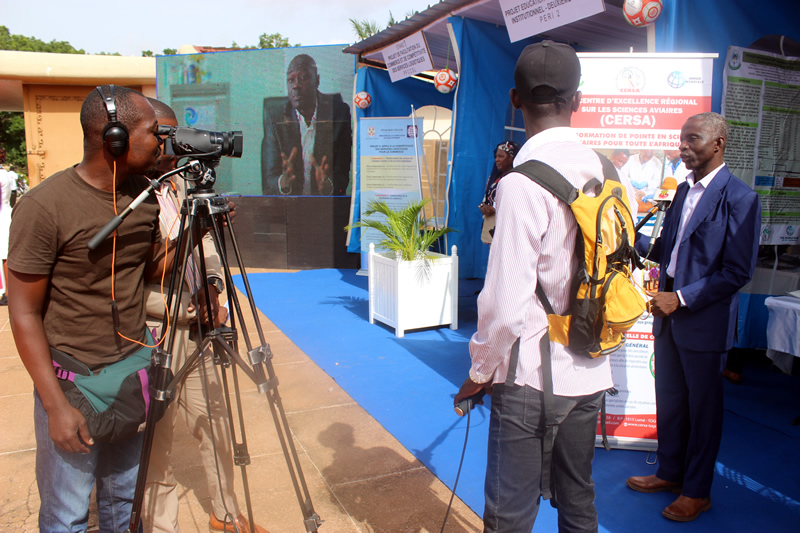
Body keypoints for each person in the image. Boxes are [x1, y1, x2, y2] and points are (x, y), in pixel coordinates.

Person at [454, 40, 635, 532]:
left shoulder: (519, 184)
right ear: (577, 101)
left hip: (530, 377)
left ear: (516, 100)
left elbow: (507, 304)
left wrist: (479, 368)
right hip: (591, 372)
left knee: (510, 514)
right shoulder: (611, 173)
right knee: (578, 504)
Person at [7, 85, 166, 532]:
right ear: (113, 139)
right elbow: (22, 313)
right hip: (74, 384)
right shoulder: (44, 207)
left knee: (123, 502)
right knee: (67, 515)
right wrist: (56, 406)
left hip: (132, 375)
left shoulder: (145, 197)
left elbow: (148, 269)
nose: (161, 142)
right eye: (153, 133)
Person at [626, 112, 761, 522]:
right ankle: (669, 473)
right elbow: (667, 250)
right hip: (669, 319)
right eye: (681, 139)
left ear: (717, 144)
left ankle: (697, 491)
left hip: (702, 323)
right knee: (670, 402)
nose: (682, 147)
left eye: (692, 140)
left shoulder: (740, 198)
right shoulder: (684, 192)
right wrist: (630, 238)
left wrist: (680, 299)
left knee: (703, 412)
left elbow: (737, 272)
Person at [142, 99, 268, 533]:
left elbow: (207, 250)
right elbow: (141, 276)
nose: (173, 146)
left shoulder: (179, 186)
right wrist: (183, 308)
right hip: (159, 331)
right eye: (164, 136)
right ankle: (161, 526)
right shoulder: (129, 194)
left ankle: (227, 516)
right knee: (156, 441)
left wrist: (215, 290)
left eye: (176, 135)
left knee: (216, 423)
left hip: (202, 326)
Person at [261, 54, 352, 196]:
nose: (295, 86)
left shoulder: (338, 113)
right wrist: (283, 183)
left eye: (303, 77)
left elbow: (343, 175)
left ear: (317, 81)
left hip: (325, 209)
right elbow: (268, 180)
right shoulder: (276, 118)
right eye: (291, 80)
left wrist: (327, 186)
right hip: (289, 209)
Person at [479, 140, 520, 244]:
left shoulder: (519, 179)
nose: (497, 160)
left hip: (511, 230)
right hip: (492, 227)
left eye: (501, 156)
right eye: (496, 156)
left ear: (513, 158)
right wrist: (483, 207)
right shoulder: (494, 179)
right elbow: (485, 199)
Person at [0, 146, 18, 306]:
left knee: (4, 255)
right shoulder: (7, 174)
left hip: (1, 215)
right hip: (6, 212)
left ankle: (7, 293)